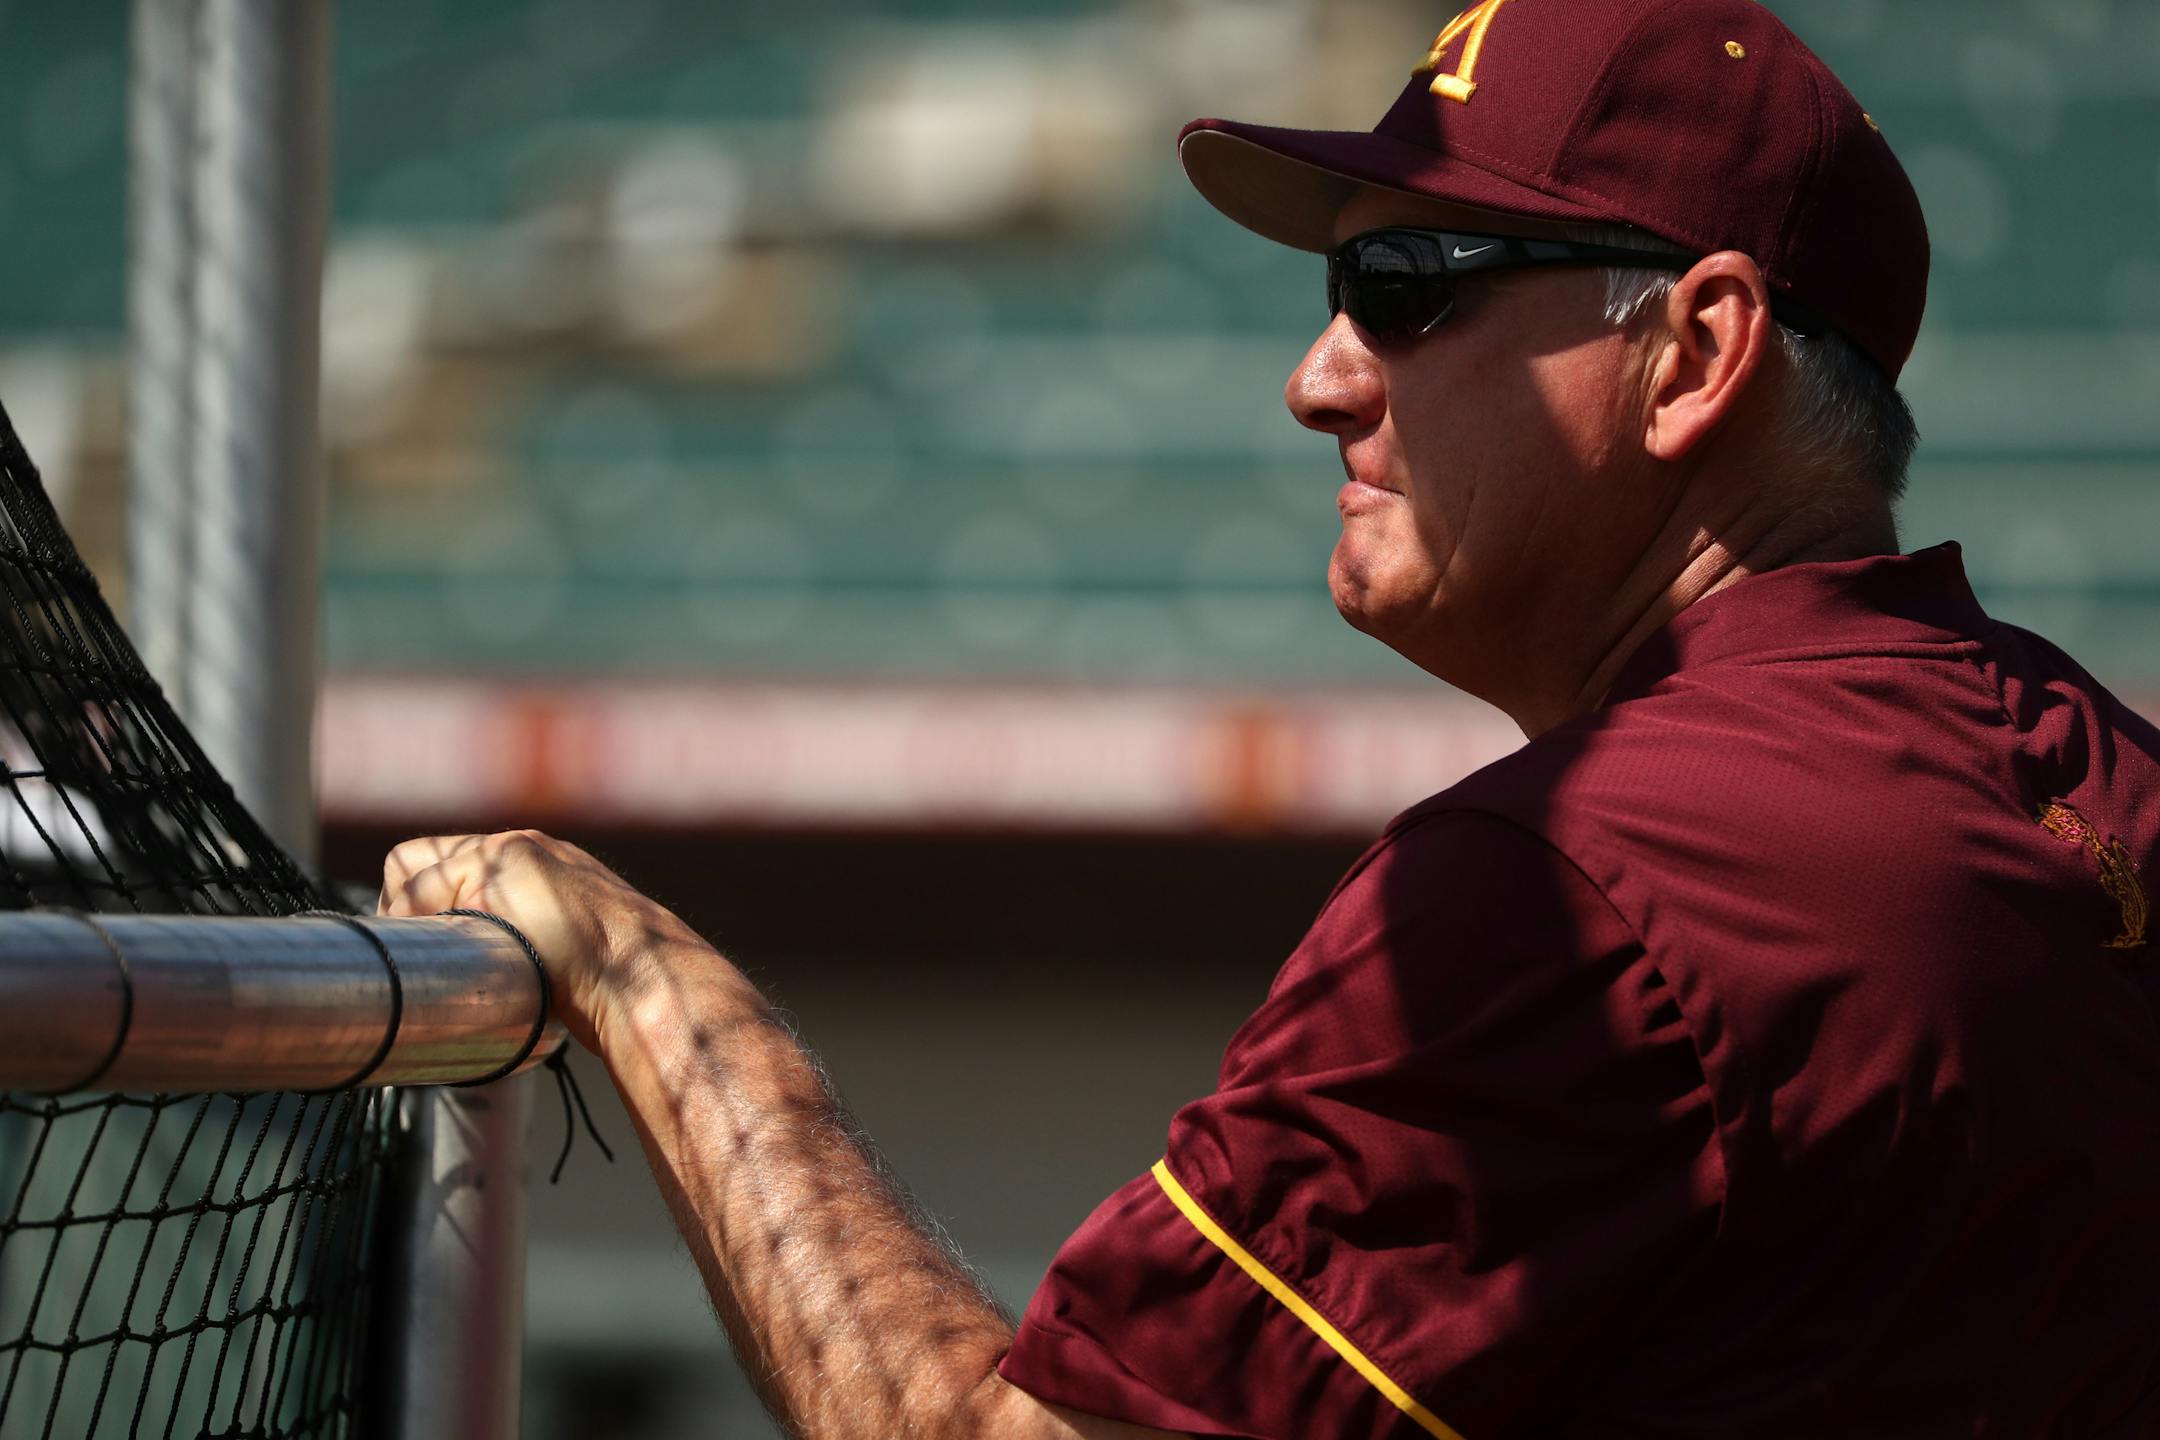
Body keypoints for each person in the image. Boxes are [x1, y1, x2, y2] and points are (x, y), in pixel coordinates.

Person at [380, 0, 2160, 1433]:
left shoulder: (1570, 890)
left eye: (1410, 290)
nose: (1318, 382)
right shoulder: (2106, 774)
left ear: (1692, 355)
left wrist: (659, 999)